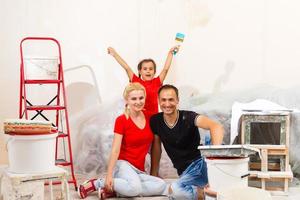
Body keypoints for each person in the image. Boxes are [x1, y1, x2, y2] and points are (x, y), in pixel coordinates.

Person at [78, 83, 166, 199]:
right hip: (124, 165)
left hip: (139, 169)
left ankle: (115, 191)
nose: (138, 102)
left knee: (161, 185)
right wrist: (109, 175)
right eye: (133, 98)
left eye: (141, 98)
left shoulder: (150, 118)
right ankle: (97, 183)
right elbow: (115, 149)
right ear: (127, 100)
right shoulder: (122, 120)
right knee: (135, 188)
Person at [150, 84, 224, 200]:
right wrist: (153, 175)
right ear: (159, 101)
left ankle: (214, 182)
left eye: (171, 100)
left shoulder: (188, 116)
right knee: (176, 191)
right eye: (163, 100)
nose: (167, 104)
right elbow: (156, 149)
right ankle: (204, 191)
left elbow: (216, 126)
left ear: (177, 100)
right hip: (186, 171)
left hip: (201, 163)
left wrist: (213, 160)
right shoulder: (155, 121)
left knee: (211, 136)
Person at [107, 46, 179, 114]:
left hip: (153, 117)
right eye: (145, 69)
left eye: (151, 69)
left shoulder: (157, 82)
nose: (148, 71)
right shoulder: (136, 81)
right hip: (138, 116)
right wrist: (114, 54)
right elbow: (127, 68)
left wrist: (170, 53)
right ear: (140, 71)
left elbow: (165, 69)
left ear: (154, 72)